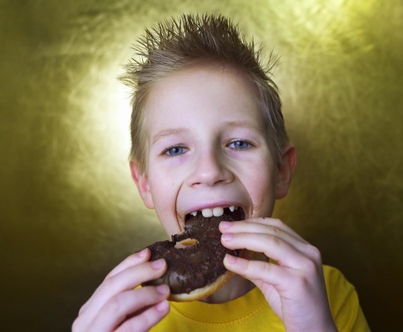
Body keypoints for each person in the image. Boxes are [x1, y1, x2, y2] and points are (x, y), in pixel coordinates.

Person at [72, 14, 370, 332]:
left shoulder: (325, 294)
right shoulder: (121, 317)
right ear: (144, 183)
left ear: (281, 170)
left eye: (239, 143)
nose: (210, 171)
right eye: (175, 149)